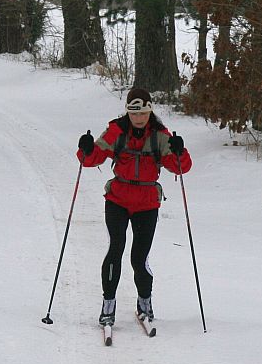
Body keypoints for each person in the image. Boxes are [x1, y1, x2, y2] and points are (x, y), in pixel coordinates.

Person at [76, 87, 191, 326]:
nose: (139, 118)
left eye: (143, 113)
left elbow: (181, 167)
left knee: (139, 258)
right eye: (134, 113)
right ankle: (108, 305)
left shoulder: (160, 135)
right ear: (128, 112)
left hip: (147, 204)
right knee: (115, 249)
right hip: (117, 200)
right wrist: (85, 148)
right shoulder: (116, 131)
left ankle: (144, 302)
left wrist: (180, 151)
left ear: (150, 111)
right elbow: (91, 158)